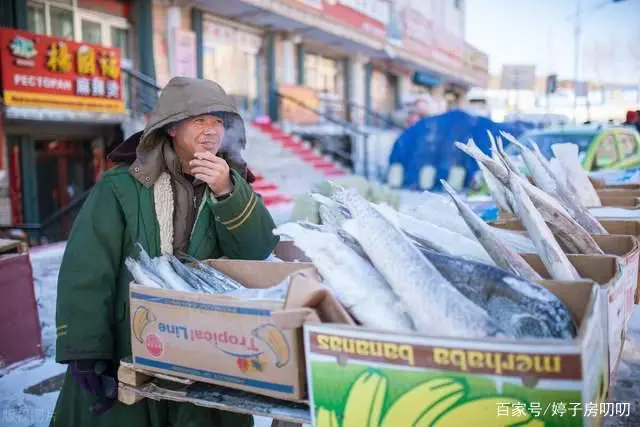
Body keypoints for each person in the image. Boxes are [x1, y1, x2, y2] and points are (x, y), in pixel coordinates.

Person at [50, 77, 279, 427]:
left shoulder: (233, 183)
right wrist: (86, 349)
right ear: (171, 127)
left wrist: (227, 192)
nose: (211, 130)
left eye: (218, 121)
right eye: (199, 119)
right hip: (132, 345)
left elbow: (257, 249)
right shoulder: (122, 186)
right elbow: (88, 268)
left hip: (208, 348)